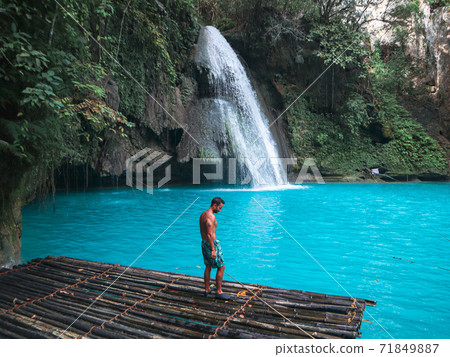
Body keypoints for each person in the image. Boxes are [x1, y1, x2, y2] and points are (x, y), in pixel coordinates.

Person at [199, 197, 231, 300]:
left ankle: (207, 289)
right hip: (211, 244)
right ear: (214, 205)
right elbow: (209, 234)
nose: (220, 210)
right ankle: (219, 291)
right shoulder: (211, 217)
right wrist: (213, 249)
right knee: (221, 267)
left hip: (204, 243)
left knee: (208, 266)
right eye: (220, 208)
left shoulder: (203, 214)